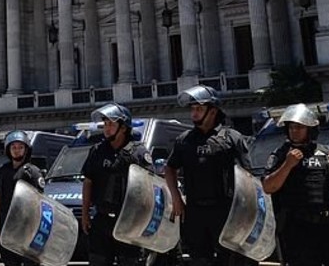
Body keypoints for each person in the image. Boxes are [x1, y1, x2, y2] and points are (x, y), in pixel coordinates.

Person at [165, 85, 255, 266]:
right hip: (195, 212)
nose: (194, 113)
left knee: (230, 260)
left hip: (226, 211)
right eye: (192, 109)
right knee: (199, 259)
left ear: (213, 111)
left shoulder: (232, 138)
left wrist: (245, 212)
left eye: (199, 109)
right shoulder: (184, 140)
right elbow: (169, 168)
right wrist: (176, 198)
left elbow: (248, 177)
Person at [261, 103, 329, 266]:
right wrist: (288, 165)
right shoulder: (281, 154)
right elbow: (268, 187)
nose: (294, 131)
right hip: (298, 228)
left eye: (299, 127)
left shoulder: (327, 153)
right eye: (291, 127)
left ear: (310, 129)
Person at [81, 103, 150, 266]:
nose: (106, 128)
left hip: (130, 221)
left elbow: (150, 187)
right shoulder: (97, 150)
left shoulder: (138, 152)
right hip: (102, 219)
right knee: (98, 260)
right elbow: (88, 182)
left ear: (124, 127)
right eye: (105, 124)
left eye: (111, 124)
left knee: (129, 262)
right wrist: (85, 214)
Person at [0, 130, 45, 266]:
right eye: (13, 147)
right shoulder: (3, 171)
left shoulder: (33, 172)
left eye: (20, 147)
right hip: (7, 225)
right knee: (9, 261)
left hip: (27, 226)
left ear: (26, 149)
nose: (17, 150)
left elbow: (40, 202)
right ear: (8, 150)